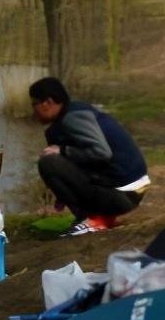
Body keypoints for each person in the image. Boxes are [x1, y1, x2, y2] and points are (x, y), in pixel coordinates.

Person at [29, 76, 151, 237]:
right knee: (56, 159)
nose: (33, 110)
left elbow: (102, 153)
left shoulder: (73, 118)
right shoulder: (76, 111)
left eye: (34, 104)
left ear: (48, 102)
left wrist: (63, 151)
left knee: (49, 162)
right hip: (130, 191)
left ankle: (90, 218)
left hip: (124, 195)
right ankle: (95, 216)